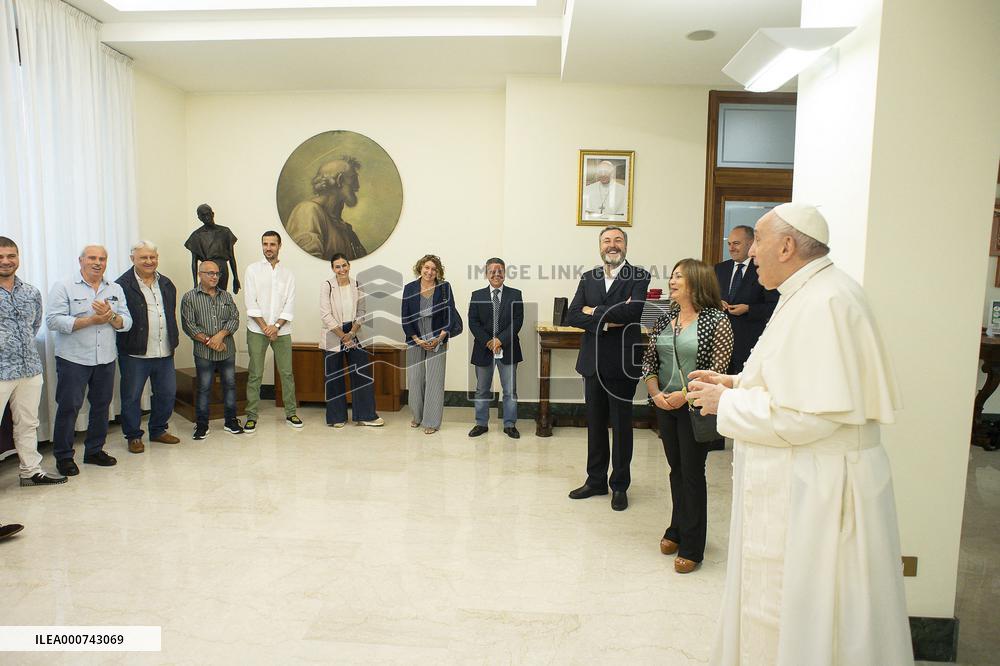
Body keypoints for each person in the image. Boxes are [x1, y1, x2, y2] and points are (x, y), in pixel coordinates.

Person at [687, 203, 912, 665]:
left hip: (821, 493)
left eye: (758, 246)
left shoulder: (826, 301)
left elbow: (811, 417)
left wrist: (725, 404)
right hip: (807, 481)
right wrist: (733, 383)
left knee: (815, 618)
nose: (750, 257)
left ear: (787, 246)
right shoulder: (806, 292)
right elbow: (794, 383)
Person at [641, 259, 732, 574]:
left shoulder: (716, 320)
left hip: (696, 407)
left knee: (693, 474)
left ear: (696, 281)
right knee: (675, 470)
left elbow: (717, 373)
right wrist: (656, 395)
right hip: (665, 405)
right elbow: (649, 361)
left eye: (679, 276)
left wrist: (685, 396)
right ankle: (676, 528)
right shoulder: (664, 316)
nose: (672, 280)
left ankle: (693, 545)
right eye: (672, 276)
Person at [565, 226, 650, 511]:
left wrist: (594, 311)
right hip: (592, 363)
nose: (612, 245)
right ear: (599, 246)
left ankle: (620, 485)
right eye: (606, 241)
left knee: (622, 427)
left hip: (622, 364)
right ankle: (596, 480)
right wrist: (609, 316)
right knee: (596, 425)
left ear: (625, 245)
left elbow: (633, 312)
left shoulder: (639, 276)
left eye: (617, 240)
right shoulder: (588, 277)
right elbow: (573, 314)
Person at [46, 245, 132, 476]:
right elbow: (53, 321)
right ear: (80, 260)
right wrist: (92, 320)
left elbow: (126, 322)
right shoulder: (63, 285)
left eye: (102, 258)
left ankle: (94, 450)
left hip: (105, 358)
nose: (97, 262)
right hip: (73, 358)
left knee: (102, 406)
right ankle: (63, 457)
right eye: (92, 258)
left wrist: (110, 316)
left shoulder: (114, 288)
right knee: (69, 407)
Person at [0, 237, 66, 486]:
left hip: (29, 368)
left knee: (28, 423)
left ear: (18, 257)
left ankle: (30, 471)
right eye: (0, 257)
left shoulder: (30, 292)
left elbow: (34, 325)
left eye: (11, 256)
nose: (6, 261)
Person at [115, 240, 180, 454]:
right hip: (135, 352)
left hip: (164, 350)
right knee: (132, 396)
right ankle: (133, 436)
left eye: (153, 257)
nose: (149, 261)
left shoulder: (167, 283)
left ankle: (158, 429)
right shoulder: (121, 285)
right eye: (144, 257)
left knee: (167, 394)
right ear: (132, 259)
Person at [243, 231, 302, 432]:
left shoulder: (288, 274)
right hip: (257, 329)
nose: (268, 248)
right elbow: (251, 301)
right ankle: (251, 415)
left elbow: (290, 304)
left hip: (282, 331)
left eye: (272, 244)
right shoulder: (252, 270)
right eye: (265, 244)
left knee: (286, 373)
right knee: (255, 374)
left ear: (279, 246)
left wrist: (276, 326)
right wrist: (265, 327)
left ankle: (291, 413)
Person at [319, 253, 384, 428]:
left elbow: (362, 311)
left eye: (344, 265)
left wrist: (352, 332)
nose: (342, 269)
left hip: (355, 332)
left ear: (349, 266)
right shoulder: (327, 286)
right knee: (334, 377)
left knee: (362, 374)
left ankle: (366, 415)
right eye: (337, 266)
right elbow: (325, 314)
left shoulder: (357, 284)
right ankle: (337, 417)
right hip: (334, 333)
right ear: (333, 269)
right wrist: (342, 336)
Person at [180, 260, 243, 440]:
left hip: (226, 350)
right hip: (204, 353)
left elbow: (234, 319)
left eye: (217, 273)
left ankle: (231, 421)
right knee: (204, 387)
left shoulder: (226, 296)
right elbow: (189, 326)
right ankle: (201, 425)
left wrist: (220, 336)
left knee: (230, 386)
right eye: (210, 273)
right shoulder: (190, 297)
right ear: (200, 274)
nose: (214, 277)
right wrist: (210, 341)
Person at [401, 254, 463, 434]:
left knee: (435, 379)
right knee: (415, 378)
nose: (429, 272)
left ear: (438, 272)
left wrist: (440, 337)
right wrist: (417, 339)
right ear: (420, 268)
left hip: (438, 334)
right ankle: (417, 416)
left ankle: (431, 421)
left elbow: (450, 314)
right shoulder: (410, 288)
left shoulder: (445, 287)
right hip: (415, 336)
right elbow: (405, 316)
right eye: (426, 268)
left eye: (434, 269)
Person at [467, 257, 523, 439]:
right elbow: (473, 322)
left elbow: (517, 321)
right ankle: (481, 424)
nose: (496, 274)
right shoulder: (477, 295)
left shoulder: (515, 294)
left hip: (508, 348)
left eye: (500, 271)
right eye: (492, 271)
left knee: (510, 390)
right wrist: (489, 342)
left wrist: (500, 340)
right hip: (483, 349)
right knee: (482, 389)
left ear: (504, 273)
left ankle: (509, 425)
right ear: (486, 274)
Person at [714, 225, 777, 374]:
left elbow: (774, 305)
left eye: (736, 243)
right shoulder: (719, 269)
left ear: (750, 243)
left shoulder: (762, 270)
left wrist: (748, 309)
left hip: (749, 342)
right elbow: (707, 298)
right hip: (719, 343)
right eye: (729, 244)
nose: (731, 248)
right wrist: (715, 303)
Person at [285, 157, 368, 261]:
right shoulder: (308, 211)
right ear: (340, 180)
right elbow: (307, 263)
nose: (357, 186)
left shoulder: (346, 229)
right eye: (353, 178)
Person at [185, 204, 240, 293]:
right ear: (199, 218)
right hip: (207, 269)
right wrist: (195, 283)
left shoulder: (225, 232)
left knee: (222, 296)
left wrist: (236, 278)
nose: (206, 217)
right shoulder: (196, 235)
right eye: (203, 216)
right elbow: (194, 262)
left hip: (222, 268)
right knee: (207, 296)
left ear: (213, 214)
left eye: (208, 214)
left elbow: (231, 256)